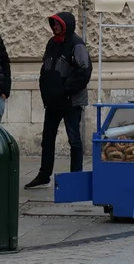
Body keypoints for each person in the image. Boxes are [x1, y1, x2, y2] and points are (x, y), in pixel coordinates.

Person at [25, 12, 92, 189]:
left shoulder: (77, 44)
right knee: (47, 138)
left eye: (57, 24)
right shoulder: (52, 43)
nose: (54, 27)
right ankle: (44, 174)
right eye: (53, 24)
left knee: (74, 140)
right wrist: (47, 90)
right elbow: (46, 68)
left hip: (71, 101)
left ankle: (76, 177)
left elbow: (84, 71)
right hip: (53, 101)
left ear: (66, 25)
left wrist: (65, 89)